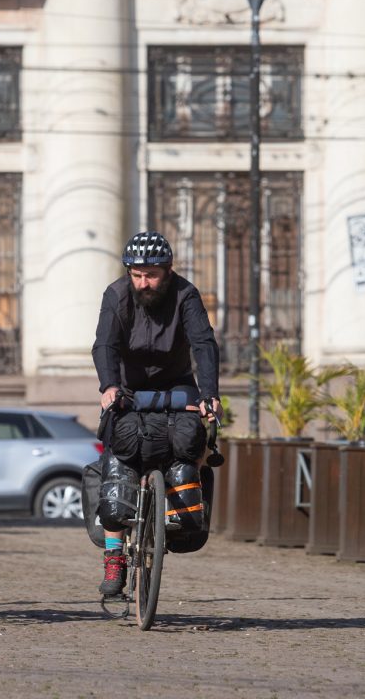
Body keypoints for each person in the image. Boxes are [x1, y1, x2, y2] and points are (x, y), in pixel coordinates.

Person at [91, 231, 222, 595]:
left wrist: (210, 394)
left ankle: (178, 508)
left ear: (167, 270)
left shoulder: (186, 295)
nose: (143, 282)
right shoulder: (116, 295)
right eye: (137, 274)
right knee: (120, 447)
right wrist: (109, 386)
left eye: (151, 274)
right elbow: (105, 344)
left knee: (191, 436)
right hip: (128, 386)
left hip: (176, 384)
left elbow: (204, 344)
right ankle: (114, 555)